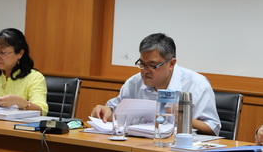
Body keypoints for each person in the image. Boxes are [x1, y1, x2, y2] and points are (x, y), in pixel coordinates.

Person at [91, 33, 221, 136]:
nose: (145, 71)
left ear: (171, 64)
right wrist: (105, 110)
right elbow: (113, 110)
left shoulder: (197, 85)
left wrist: (183, 117)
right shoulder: (134, 83)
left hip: (180, 150)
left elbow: (213, 129)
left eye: (152, 66)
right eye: (142, 64)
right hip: (140, 144)